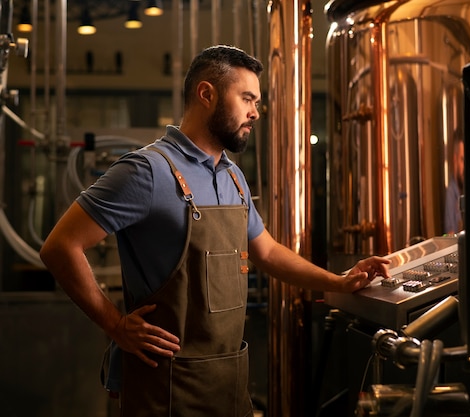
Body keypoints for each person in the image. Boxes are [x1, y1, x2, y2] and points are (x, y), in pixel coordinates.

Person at [39, 45, 391, 417]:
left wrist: (338, 282)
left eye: (257, 101)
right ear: (206, 94)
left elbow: (268, 252)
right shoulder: (147, 171)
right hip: (166, 389)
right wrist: (115, 326)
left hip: (227, 383)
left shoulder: (233, 176)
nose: (256, 112)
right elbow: (60, 246)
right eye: (247, 99)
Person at [444, 134, 464, 235]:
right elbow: (450, 235)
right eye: (462, 160)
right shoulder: (450, 193)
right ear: (455, 159)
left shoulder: (463, 189)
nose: (465, 166)